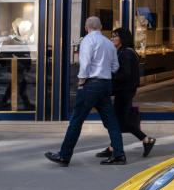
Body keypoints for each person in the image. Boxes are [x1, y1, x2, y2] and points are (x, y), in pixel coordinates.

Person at [45, 16, 125, 166]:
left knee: (76, 120)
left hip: (91, 84)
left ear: (86, 27)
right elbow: (115, 67)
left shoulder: (88, 40)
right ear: (100, 27)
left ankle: (64, 155)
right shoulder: (109, 43)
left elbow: (86, 62)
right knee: (111, 121)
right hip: (105, 84)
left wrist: (81, 81)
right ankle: (119, 154)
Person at [96, 27, 155, 159]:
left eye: (115, 36)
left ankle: (145, 140)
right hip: (124, 91)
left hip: (125, 91)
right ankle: (117, 146)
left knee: (119, 121)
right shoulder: (124, 52)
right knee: (119, 120)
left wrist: (109, 75)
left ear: (122, 38)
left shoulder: (126, 54)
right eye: (111, 36)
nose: (112, 39)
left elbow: (125, 74)